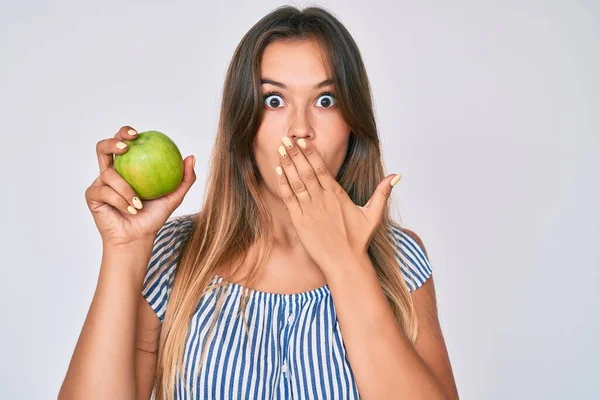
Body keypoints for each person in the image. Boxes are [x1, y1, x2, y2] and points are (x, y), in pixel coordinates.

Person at [59, 5, 458, 400]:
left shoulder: (400, 260)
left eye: (325, 101)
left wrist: (346, 262)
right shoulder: (174, 258)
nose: (300, 130)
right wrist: (125, 249)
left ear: (354, 122)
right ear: (243, 123)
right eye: (273, 101)